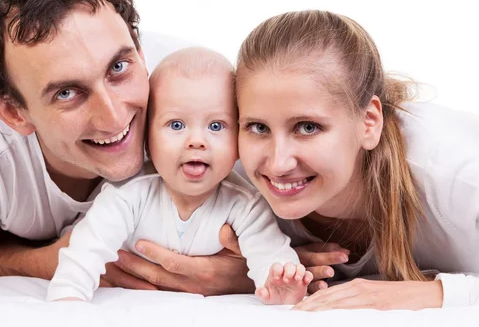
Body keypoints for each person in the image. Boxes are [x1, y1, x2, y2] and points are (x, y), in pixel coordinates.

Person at [0, 0, 258, 295]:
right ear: (14, 113)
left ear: (139, 50)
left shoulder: (198, 93)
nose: (114, 117)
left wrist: (248, 274)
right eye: (66, 92)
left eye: (118, 68)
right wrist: (43, 262)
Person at [235, 9, 479, 309]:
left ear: (368, 122)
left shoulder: (443, 164)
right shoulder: (234, 174)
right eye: (258, 127)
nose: (278, 164)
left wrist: (433, 293)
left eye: (308, 127)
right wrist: (243, 273)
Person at [47, 48, 311, 304]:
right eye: (176, 125)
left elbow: (268, 252)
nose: (196, 141)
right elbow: (87, 249)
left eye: (216, 126)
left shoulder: (245, 203)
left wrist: (280, 281)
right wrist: (68, 295)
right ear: (147, 140)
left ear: (239, 142)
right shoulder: (128, 193)